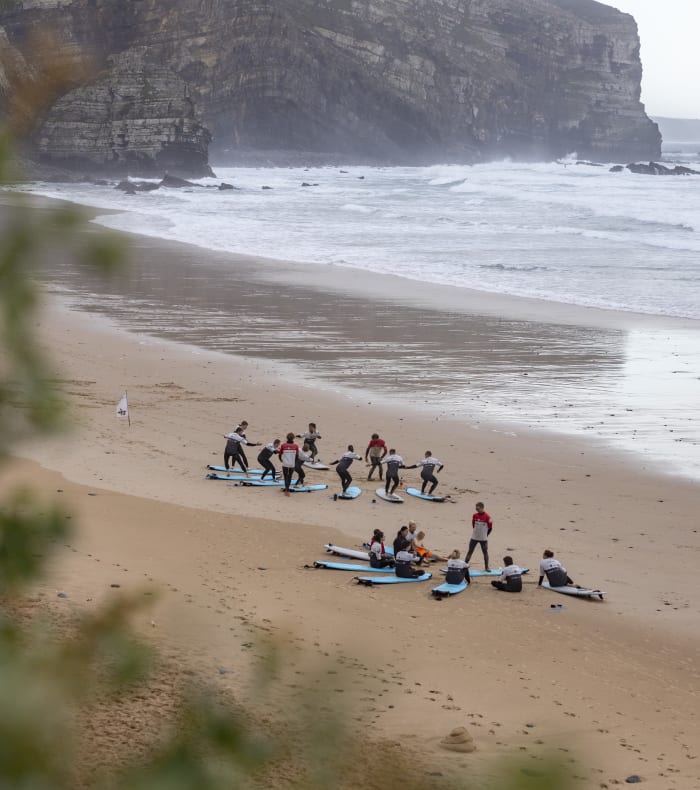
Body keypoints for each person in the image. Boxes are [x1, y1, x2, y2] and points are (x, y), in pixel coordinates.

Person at [465, 501, 492, 571]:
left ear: (482, 508)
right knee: (470, 551)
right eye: (476, 508)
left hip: (483, 538)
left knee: (485, 552)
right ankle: (464, 566)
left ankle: (487, 567)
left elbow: (490, 528)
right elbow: (473, 525)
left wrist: (486, 535)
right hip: (474, 537)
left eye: (478, 508)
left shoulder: (488, 517)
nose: (477, 510)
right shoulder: (474, 516)